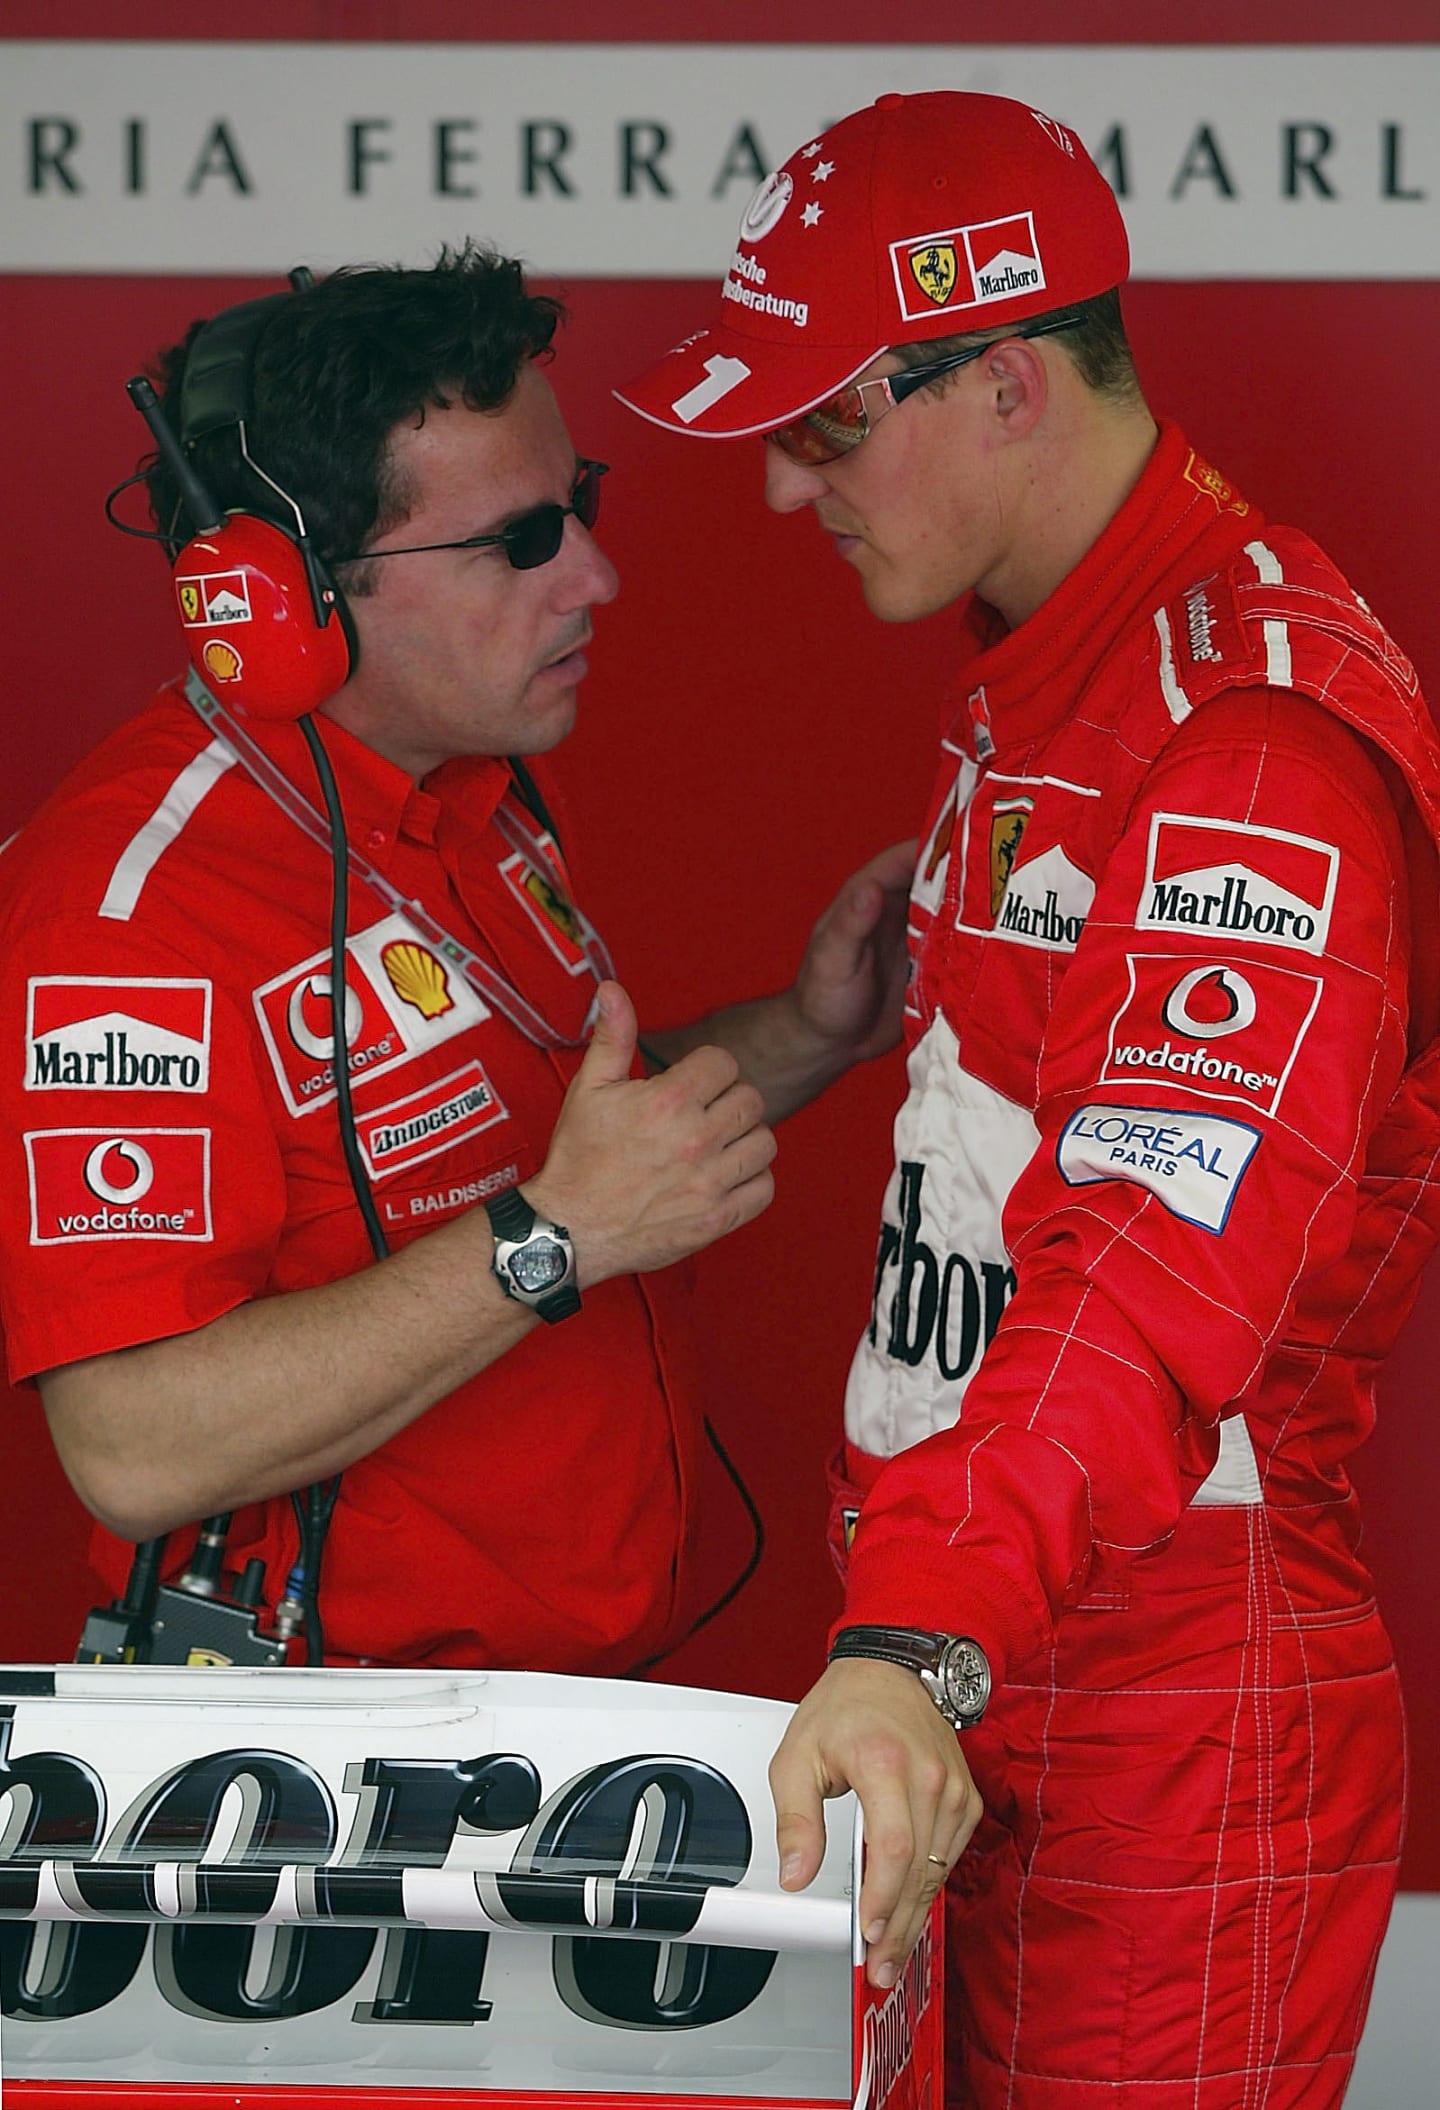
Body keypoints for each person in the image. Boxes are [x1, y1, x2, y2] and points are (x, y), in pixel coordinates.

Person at [616, 91, 1440, 2105]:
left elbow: (1148, 1274)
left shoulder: (1251, 741)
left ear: (998, 384)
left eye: (821, 429)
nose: (788, 493)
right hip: (999, 1666)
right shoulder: (1054, 659)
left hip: (1157, 1714)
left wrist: (914, 1637)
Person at [0, 244, 912, 1678]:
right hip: (325, 1785)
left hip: (549, 1732)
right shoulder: (128, 916)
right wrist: (553, 1239)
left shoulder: (472, 801)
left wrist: (811, 1027)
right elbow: (130, 1437)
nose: (600, 574)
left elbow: (585, 1154)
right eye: (524, 539)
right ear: (284, 587)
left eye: (582, 507)